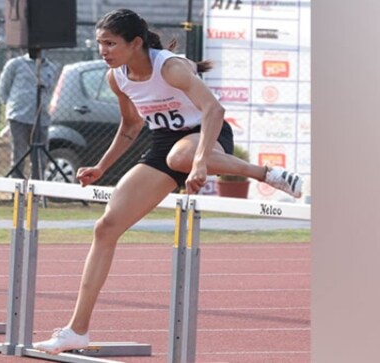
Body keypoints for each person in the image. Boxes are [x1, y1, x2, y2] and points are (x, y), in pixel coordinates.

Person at [33, 9, 303, 354]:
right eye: (100, 43)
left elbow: (214, 111)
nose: (103, 50)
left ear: (135, 43)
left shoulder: (170, 67)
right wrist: (101, 167)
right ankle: (76, 331)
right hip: (163, 144)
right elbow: (131, 126)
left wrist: (202, 162)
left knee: (181, 157)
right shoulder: (117, 77)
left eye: (110, 43)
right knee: (106, 227)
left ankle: (268, 174)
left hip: (205, 135)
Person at [0, 48, 58, 179]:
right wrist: (13, 107)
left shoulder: (51, 68)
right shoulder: (15, 64)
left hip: (41, 119)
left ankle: (36, 193)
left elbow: (51, 92)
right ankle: (17, 192)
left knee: (40, 158)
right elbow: (3, 89)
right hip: (19, 117)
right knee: (18, 156)